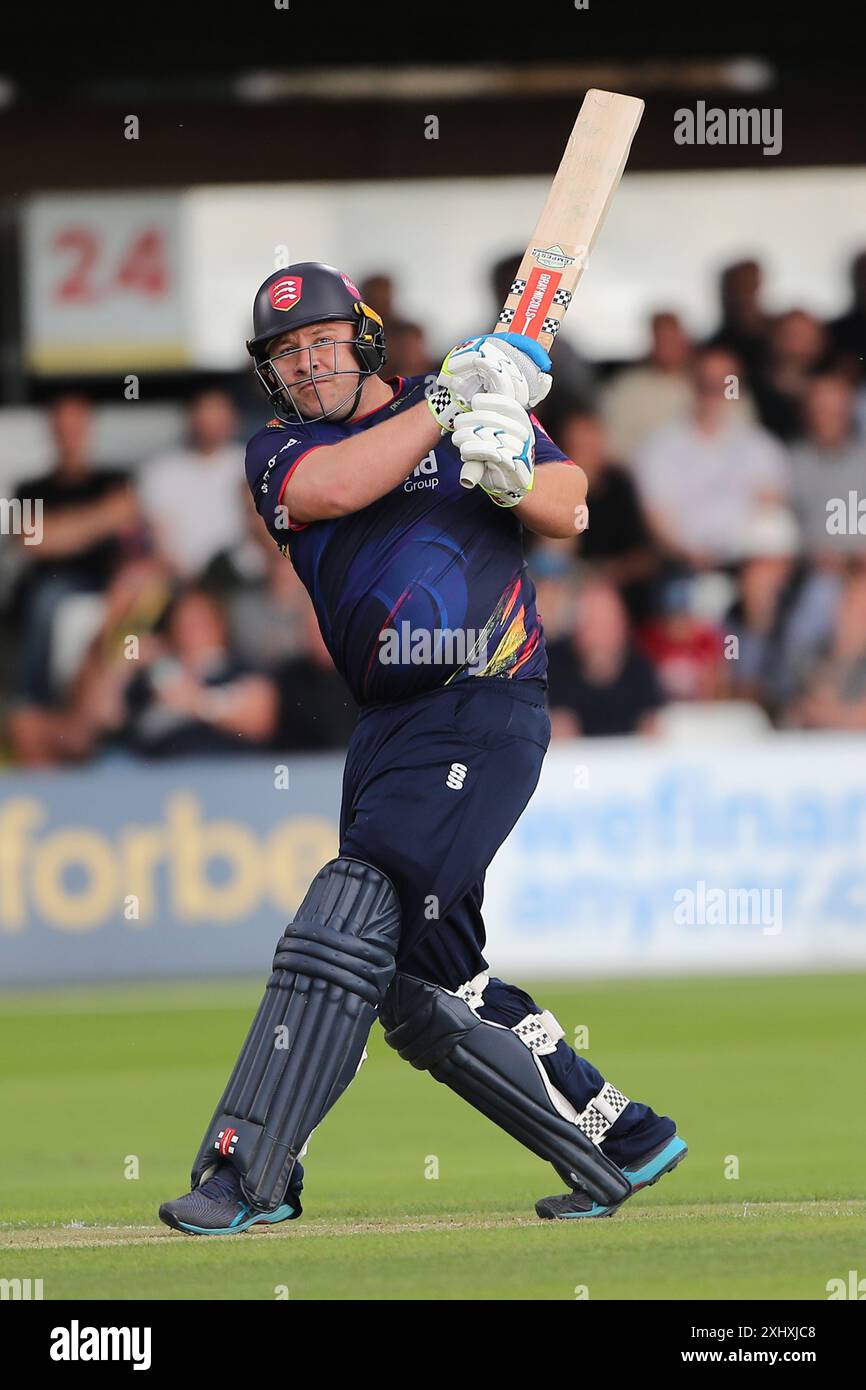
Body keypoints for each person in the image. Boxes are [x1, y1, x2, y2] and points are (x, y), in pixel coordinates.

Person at [158, 261, 687, 1235]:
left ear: (361, 336)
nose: (306, 363)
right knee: (425, 978)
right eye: (284, 353)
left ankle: (248, 1167)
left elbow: (570, 510)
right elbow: (341, 483)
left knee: (342, 921)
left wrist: (512, 473)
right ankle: (618, 1134)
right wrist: (451, 400)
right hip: (385, 729)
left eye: (320, 341)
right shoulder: (280, 451)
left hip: (483, 705)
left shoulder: (469, 406)